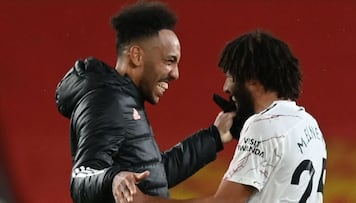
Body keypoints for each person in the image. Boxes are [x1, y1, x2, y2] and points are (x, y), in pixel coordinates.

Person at [55, 1, 235, 203]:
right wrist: (114, 178)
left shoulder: (125, 100)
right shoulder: (109, 101)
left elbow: (153, 174)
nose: (176, 74)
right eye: (169, 61)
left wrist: (215, 136)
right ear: (137, 56)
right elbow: (81, 178)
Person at [130, 30, 328, 203]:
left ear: (251, 78)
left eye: (231, 76)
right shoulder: (309, 124)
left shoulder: (262, 125)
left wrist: (145, 201)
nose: (225, 87)